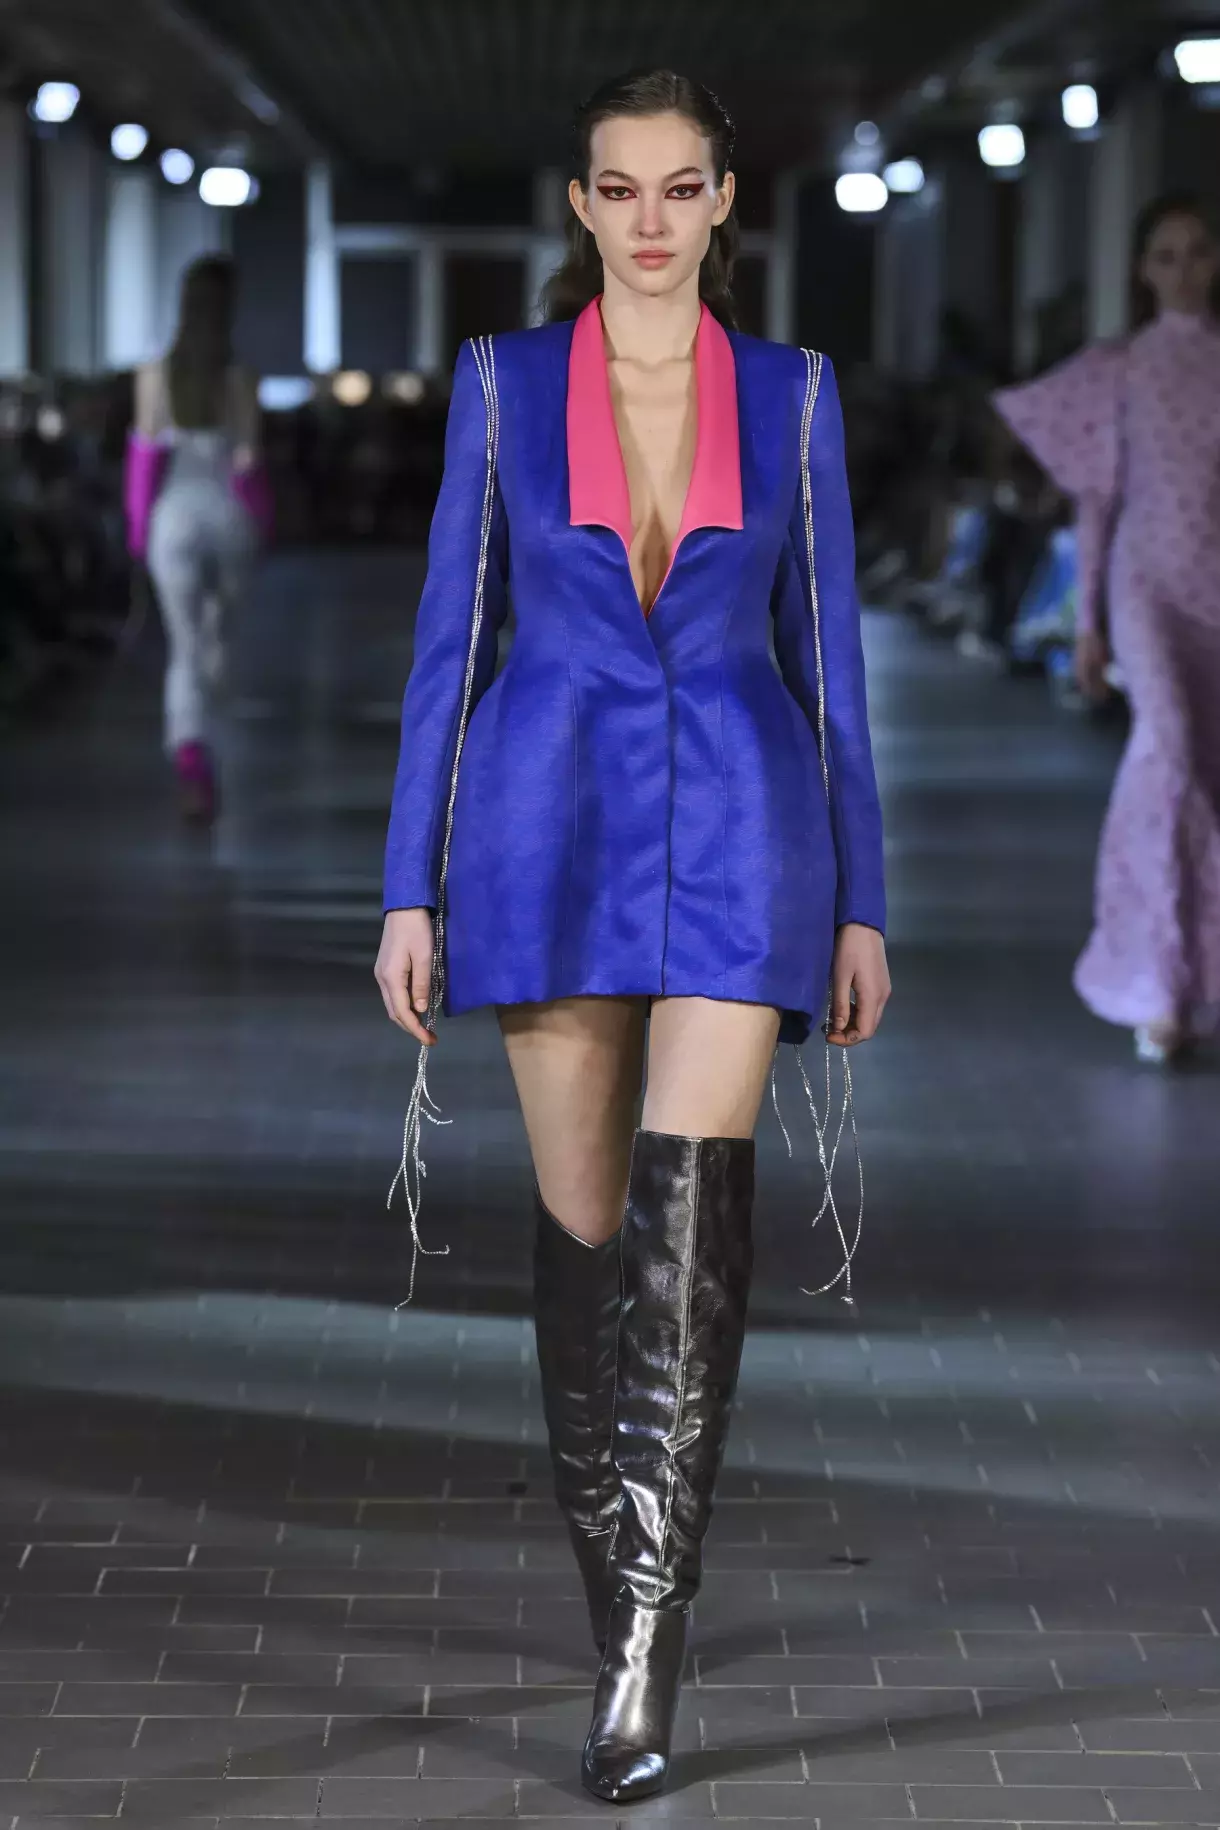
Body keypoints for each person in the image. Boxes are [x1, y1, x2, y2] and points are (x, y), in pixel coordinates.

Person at [374, 68, 890, 1802]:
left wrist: (863, 899)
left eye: (683, 187)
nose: (653, 219)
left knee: (691, 1233)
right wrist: (409, 884)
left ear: (725, 199)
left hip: (748, 824)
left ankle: (648, 1643)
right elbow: (449, 645)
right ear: (582, 204)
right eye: (621, 188)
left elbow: (834, 662)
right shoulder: (504, 384)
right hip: (545, 826)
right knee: (590, 1240)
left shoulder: (794, 394)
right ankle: (618, 1585)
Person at [994, 194, 1220, 1065]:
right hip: (1147, 585)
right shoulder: (1119, 368)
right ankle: (1152, 982)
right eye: (1166, 255)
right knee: (1169, 752)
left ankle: (1194, 979)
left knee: (1205, 771)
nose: (1184, 270)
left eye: (1198, 251)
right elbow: (1096, 500)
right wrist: (1084, 622)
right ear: (1141, 270)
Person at [124, 256, 271, 823]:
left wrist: (139, 531)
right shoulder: (240, 378)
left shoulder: (154, 375)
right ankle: (213, 737)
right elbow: (248, 465)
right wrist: (265, 527)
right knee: (217, 644)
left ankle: (192, 761)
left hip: (174, 518)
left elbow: (143, 461)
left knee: (183, 649)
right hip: (229, 517)